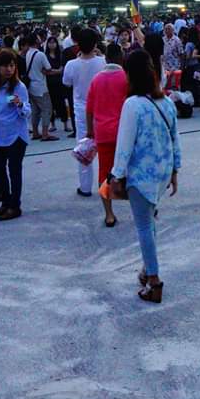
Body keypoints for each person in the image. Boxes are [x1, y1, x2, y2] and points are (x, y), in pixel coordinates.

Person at [108, 50, 180, 303]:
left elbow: (124, 145)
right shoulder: (167, 102)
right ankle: (147, 268)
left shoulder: (132, 105)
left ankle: (153, 280)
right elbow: (175, 139)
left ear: (129, 74)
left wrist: (116, 175)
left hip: (141, 176)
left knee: (144, 227)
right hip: (161, 174)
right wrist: (175, 170)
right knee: (149, 222)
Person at [0, 49, 30, 221]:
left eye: (11, 65)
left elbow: (27, 112)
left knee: (14, 171)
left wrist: (20, 104)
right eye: (5, 66)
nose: (9, 69)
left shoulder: (18, 87)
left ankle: (15, 206)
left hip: (16, 135)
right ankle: (6, 202)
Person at [86, 43, 128, 227]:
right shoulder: (126, 77)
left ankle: (109, 214)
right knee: (133, 170)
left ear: (106, 58)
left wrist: (90, 132)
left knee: (105, 174)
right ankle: (143, 205)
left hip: (103, 133)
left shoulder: (96, 80)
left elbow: (89, 110)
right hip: (125, 132)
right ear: (120, 57)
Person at [63, 29, 106, 196]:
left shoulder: (71, 65)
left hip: (81, 111)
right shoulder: (103, 62)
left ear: (78, 45)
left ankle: (85, 187)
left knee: (84, 148)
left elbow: (66, 82)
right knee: (105, 148)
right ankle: (107, 186)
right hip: (101, 109)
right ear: (95, 44)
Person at [20, 33, 57, 142]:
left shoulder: (28, 53)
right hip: (41, 87)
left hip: (31, 86)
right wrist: (58, 71)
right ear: (36, 41)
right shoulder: (40, 54)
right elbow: (48, 69)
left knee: (35, 110)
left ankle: (35, 132)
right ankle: (45, 133)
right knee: (47, 109)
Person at [43, 37, 71, 134]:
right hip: (49, 83)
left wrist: (53, 71)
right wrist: (56, 71)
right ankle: (52, 124)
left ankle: (66, 124)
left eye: (53, 42)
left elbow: (62, 69)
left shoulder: (60, 55)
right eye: (50, 42)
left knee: (61, 103)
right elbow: (45, 70)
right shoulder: (45, 56)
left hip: (59, 82)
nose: (52, 44)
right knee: (50, 104)